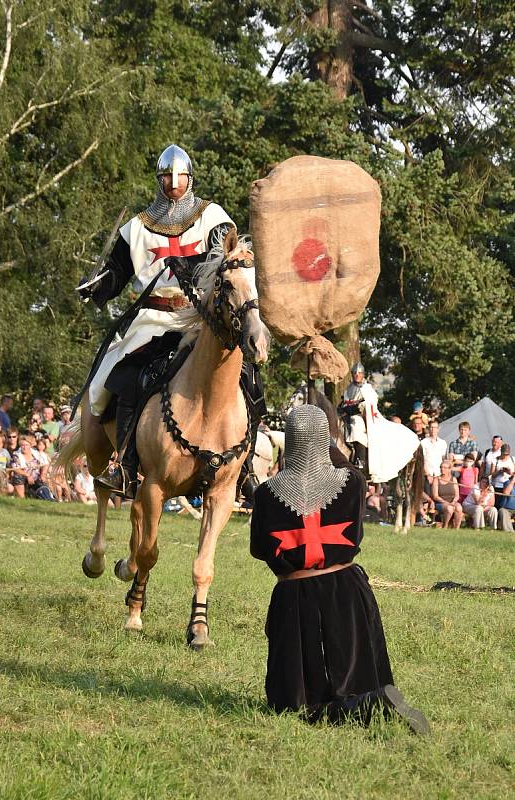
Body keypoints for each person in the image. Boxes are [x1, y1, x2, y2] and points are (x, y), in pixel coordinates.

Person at [78, 144, 256, 499]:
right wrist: (97, 286)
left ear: (190, 178)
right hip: (152, 320)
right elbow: (117, 273)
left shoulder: (213, 218)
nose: (173, 182)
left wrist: (187, 269)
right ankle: (125, 464)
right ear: (159, 179)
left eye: (180, 176)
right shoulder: (136, 228)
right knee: (118, 378)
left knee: (247, 375)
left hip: (199, 319)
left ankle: (245, 467)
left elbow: (224, 263)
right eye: (167, 176)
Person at [250, 405, 429, 734]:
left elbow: (259, 549)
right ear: (325, 439)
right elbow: (355, 536)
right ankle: (372, 702)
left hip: (294, 597)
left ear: (290, 440)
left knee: (290, 704)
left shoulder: (265, 495)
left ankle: (368, 706)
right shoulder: (354, 483)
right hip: (347, 594)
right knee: (357, 680)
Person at [431, 459, 463, 528]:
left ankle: (456, 528)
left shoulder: (453, 479)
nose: (442, 469)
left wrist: (454, 501)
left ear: (449, 469)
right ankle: (445, 526)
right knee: (449, 508)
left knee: (459, 508)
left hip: (452, 501)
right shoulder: (436, 479)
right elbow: (435, 496)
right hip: (440, 503)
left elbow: (457, 495)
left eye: (445, 468)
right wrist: (446, 502)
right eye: (441, 467)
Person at [421, 420, 447, 490]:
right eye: (431, 427)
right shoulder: (423, 442)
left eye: (435, 427)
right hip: (427, 474)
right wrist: (428, 475)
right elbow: (422, 460)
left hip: (439, 474)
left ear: (438, 429)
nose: (433, 429)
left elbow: (443, 459)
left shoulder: (443, 443)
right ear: (429, 429)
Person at [491, 444, 514, 509]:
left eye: (507, 454)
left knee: (506, 505)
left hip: (509, 487)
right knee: (497, 505)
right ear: (501, 452)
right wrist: (499, 471)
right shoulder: (495, 460)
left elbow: (514, 474)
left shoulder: (513, 460)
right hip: (497, 486)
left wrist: (510, 473)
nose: (505, 456)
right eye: (504, 454)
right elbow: (492, 475)